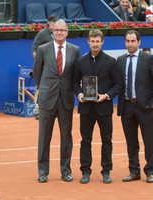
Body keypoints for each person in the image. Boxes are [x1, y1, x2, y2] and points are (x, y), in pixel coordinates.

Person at [33, 19, 80, 183]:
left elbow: (76, 76)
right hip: (47, 99)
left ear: (67, 32)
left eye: (62, 30)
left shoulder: (75, 50)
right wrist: (45, 89)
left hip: (66, 99)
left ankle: (66, 170)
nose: (59, 32)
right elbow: (37, 73)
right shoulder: (42, 49)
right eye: (57, 30)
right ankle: (42, 171)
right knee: (44, 137)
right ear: (52, 31)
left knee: (66, 137)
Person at [73, 29, 121, 184]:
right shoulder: (80, 62)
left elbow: (118, 85)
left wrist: (106, 96)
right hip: (86, 108)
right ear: (88, 41)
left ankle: (106, 171)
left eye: (97, 41)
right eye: (92, 41)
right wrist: (80, 94)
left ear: (102, 42)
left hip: (104, 108)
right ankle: (85, 171)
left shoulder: (111, 62)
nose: (95, 44)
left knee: (107, 140)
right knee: (85, 140)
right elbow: (74, 83)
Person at [117, 30, 153, 183]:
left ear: (139, 42)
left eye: (133, 41)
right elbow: (116, 83)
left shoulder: (149, 59)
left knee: (150, 141)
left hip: (145, 107)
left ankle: (150, 171)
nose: (130, 44)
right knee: (131, 142)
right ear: (124, 42)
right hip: (127, 107)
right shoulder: (120, 60)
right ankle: (134, 171)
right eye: (128, 41)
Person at [32, 16, 58, 119]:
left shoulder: (56, 33)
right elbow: (34, 49)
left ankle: (53, 110)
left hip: (55, 67)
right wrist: (40, 63)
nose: (56, 26)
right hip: (44, 67)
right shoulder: (42, 33)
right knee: (40, 88)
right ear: (49, 23)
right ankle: (37, 111)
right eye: (54, 23)